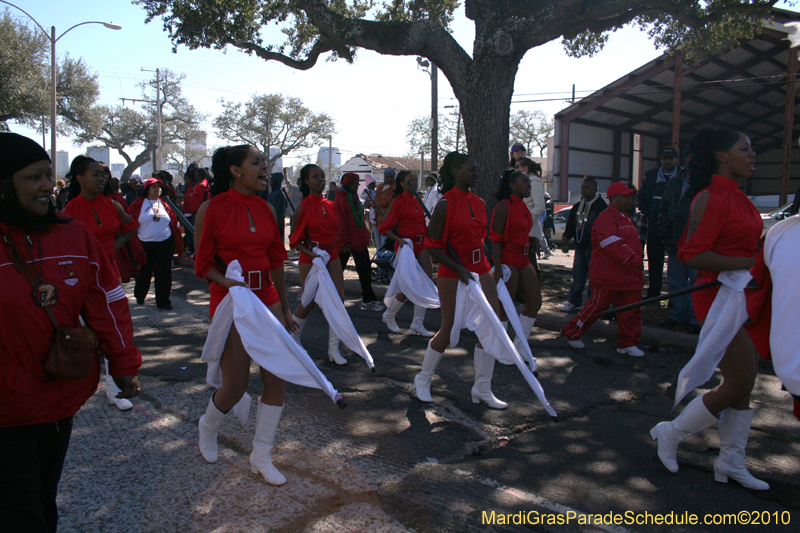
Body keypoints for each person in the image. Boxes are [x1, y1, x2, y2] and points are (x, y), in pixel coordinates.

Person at [0, 133, 141, 531]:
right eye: (33, 177)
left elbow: (107, 301)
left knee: (42, 497)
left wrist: (124, 361)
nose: (48, 185)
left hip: (56, 403)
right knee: (18, 508)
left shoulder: (71, 234)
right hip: (5, 410)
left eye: (49, 175)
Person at [650, 129, 768, 490]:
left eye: (751, 148)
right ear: (721, 155)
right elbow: (692, 254)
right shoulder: (710, 197)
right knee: (739, 382)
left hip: (743, 295)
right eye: (743, 148)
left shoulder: (741, 198)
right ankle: (671, 433)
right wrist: (753, 261)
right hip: (717, 297)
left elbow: (751, 243)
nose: (752, 154)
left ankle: (731, 462)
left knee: (743, 384)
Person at [192, 144, 295, 486]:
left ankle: (261, 455)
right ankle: (207, 428)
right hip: (232, 300)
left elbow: (276, 260)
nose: (265, 168)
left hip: (267, 296)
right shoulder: (212, 208)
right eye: (256, 162)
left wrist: (285, 307)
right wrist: (229, 283)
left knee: (277, 376)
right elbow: (202, 263)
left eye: (264, 162)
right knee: (235, 385)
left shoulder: (267, 208)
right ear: (235, 170)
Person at [414, 152, 506, 409]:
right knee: (449, 329)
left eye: (477, 168)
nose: (476, 173)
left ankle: (482, 388)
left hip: (481, 267)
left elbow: (480, 239)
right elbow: (432, 246)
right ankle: (422, 379)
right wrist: (459, 268)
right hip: (453, 271)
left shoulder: (478, 202)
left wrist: (490, 268)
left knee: (492, 325)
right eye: (471, 169)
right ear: (456, 171)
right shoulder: (444, 204)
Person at [560, 182, 645, 357]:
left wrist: (635, 264)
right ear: (614, 198)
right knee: (596, 307)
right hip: (609, 275)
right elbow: (612, 245)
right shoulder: (607, 217)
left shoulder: (624, 217)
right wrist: (635, 260)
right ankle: (572, 332)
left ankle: (627, 343)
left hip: (628, 275)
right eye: (626, 196)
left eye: (631, 197)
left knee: (631, 310)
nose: (630, 200)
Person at [289, 164, 348, 365]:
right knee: (309, 300)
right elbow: (294, 241)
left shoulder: (330, 204)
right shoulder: (303, 207)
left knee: (338, 300)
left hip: (331, 255)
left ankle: (333, 349)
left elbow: (335, 233)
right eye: (315, 177)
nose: (321, 180)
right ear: (306, 181)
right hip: (311, 257)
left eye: (322, 176)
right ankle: (293, 337)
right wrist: (312, 254)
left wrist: (332, 252)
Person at [490, 170, 542, 358]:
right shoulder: (504, 206)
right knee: (505, 306)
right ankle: (500, 349)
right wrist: (497, 267)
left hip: (523, 258)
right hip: (508, 259)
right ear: (512, 185)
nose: (528, 185)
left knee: (535, 302)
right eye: (524, 182)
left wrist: (532, 239)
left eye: (529, 182)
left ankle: (519, 346)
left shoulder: (523, 206)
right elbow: (495, 239)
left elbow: (518, 231)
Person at [379, 169, 434, 336]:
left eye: (416, 180)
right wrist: (400, 241)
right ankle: (389, 315)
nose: (415, 183)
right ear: (402, 183)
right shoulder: (399, 201)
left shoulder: (419, 199)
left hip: (422, 244)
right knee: (408, 286)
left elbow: (421, 224)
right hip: (407, 247)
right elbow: (385, 227)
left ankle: (417, 324)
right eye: (411, 180)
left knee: (426, 282)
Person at [657, 148, 700, 333]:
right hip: (675, 242)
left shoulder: (703, 183)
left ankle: (695, 319)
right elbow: (664, 208)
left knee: (696, 281)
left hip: (695, 244)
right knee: (676, 281)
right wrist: (665, 232)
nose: (691, 158)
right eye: (689, 155)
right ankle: (679, 315)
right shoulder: (675, 182)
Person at [128, 177, 183, 310]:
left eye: (159, 187)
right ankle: (140, 295)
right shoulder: (138, 204)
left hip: (164, 244)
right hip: (145, 244)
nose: (158, 189)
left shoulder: (164, 203)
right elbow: (129, 221)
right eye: (154, 187)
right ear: (147, 190)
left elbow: (173, 221)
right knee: (144, 274)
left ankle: (163, 301)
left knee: (164, 274)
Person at [335, 172, 384, 312]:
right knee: (336, 274)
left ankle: (368, 300)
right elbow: (341, 223)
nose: (357, 186)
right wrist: (344, 242)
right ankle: (326, 300)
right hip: (345, 244)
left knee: (365, 273)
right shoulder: (341, 199)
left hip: (358, 242)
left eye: (357, 184)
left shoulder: (354, 197)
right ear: (347, 184)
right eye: (354, 184)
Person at [559, 178, 607, 312]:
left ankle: (592, 303)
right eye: (582, 188)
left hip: (594, 249)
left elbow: (603, 228)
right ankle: (575, 300)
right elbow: (572, 222)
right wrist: (567, 235)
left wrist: (594, 245)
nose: (584, 191)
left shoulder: (601, 207)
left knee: (594, 277)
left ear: (596, 189)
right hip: (580, 247)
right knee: (578, 275)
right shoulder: (578, 206)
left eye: (588, 188)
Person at [640, 148, 681, 298]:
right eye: (665, 158)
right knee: (655, 261)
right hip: (655, 226)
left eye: (670, 158)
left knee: (677, 263)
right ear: (661, 160)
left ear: (676, 159)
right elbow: (642, 197)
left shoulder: (683, 176)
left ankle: (675, 297)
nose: (668, 161)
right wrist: (649, 214)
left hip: (675, 228)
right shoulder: (652, 176)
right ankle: (653, 294)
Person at [516, 157, 546, 275]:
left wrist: (524, 219)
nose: (516, 169)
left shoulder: (534, 182)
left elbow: (539, 207)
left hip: (531, 230)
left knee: (530, 264)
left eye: (518, 166)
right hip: (524, 229)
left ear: (526, 168)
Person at [183, 167, 210, 256]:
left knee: (198, 233)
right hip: (195, 212)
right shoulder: (198, 184)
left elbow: (206, 199)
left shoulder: (202, 185)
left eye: (196, 174)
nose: (195, 175)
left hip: (200, 213)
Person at [266, 172, 288, 242]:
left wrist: (274, 227)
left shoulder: (279, 195)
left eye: (271, 180)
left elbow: (280, 213)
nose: (270, 182)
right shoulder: (271, 194)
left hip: (277, 226)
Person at [361, 175, 381, 246]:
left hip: (375, 207)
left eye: (373, 184)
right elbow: (362, 196)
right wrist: (368, 194)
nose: (372, 185)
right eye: (371, 184)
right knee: (372, 215)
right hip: (371, 207)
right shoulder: (366, 191)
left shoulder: (376, 191)